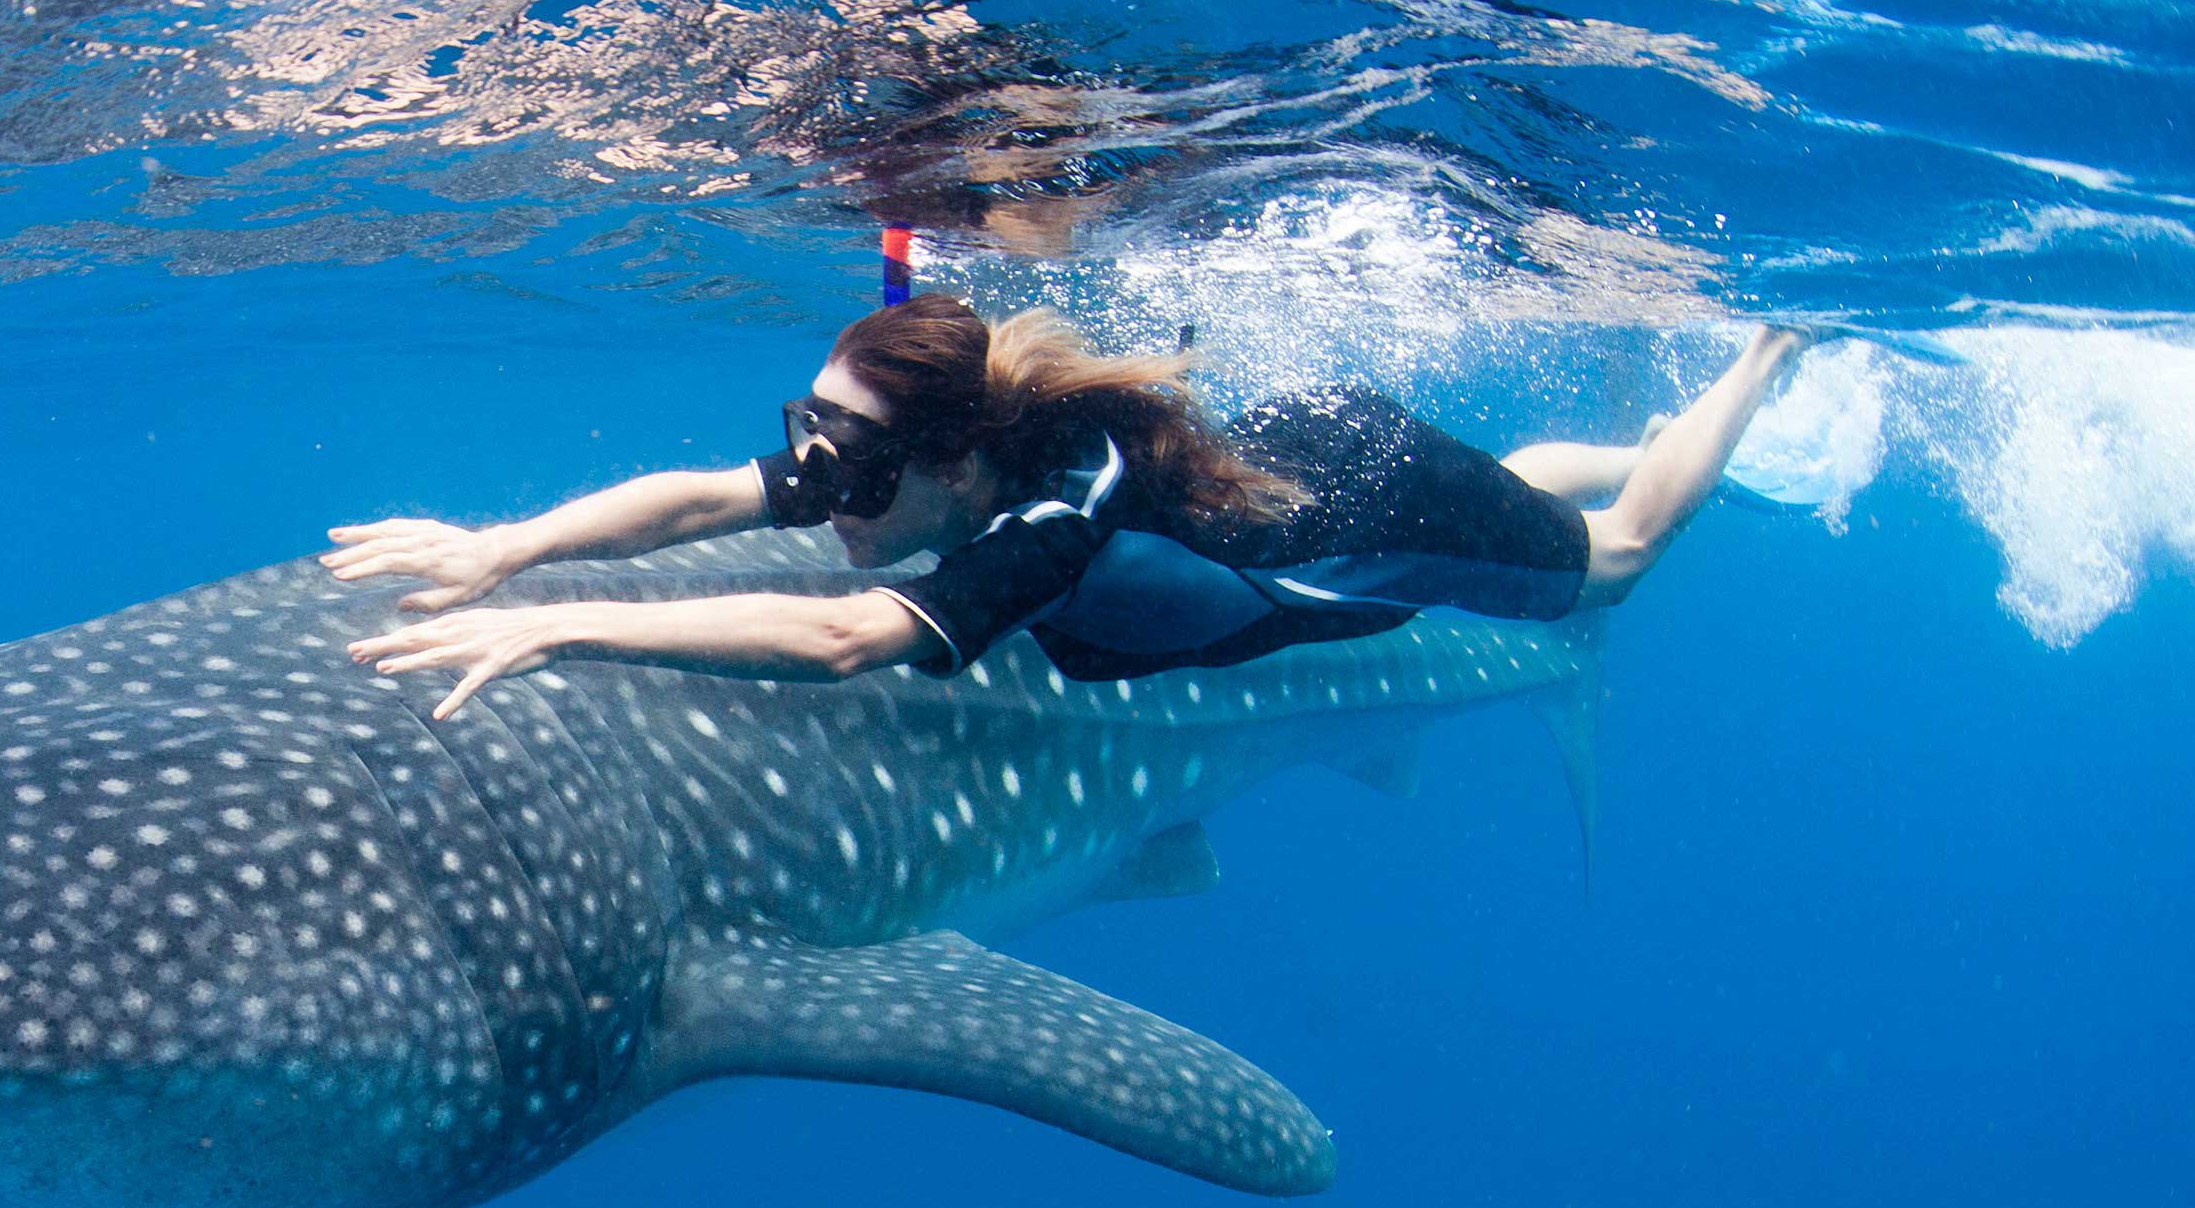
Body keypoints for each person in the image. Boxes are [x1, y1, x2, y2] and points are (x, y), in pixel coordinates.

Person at [331, 293, 1809, 720]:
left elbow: (848, 640)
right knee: (1499, 506)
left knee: (1609, 565)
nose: (817, 492)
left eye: (849, 473)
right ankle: (1563, 465)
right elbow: (701, 498)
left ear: (960, 466)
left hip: (1349, 500)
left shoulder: (1056, 513)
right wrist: (503, 546)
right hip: (1298, 462)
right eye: (817, 455)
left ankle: (1759, 358)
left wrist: (558, 631)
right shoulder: (913, 451)